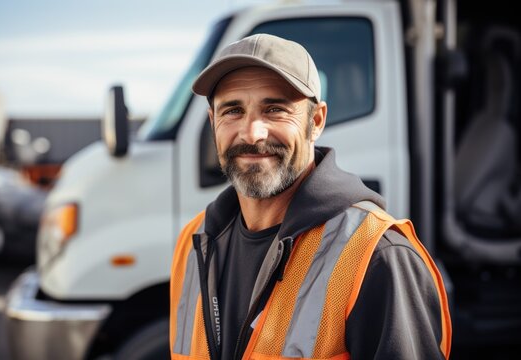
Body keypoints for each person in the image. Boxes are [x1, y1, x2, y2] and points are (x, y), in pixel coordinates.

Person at [170, 33, 452, 360]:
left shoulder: (376, 256)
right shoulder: (193, 244)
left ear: (315, 121)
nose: (251, 133)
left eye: (275, 109)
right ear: (213, 121)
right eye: (233, 110)